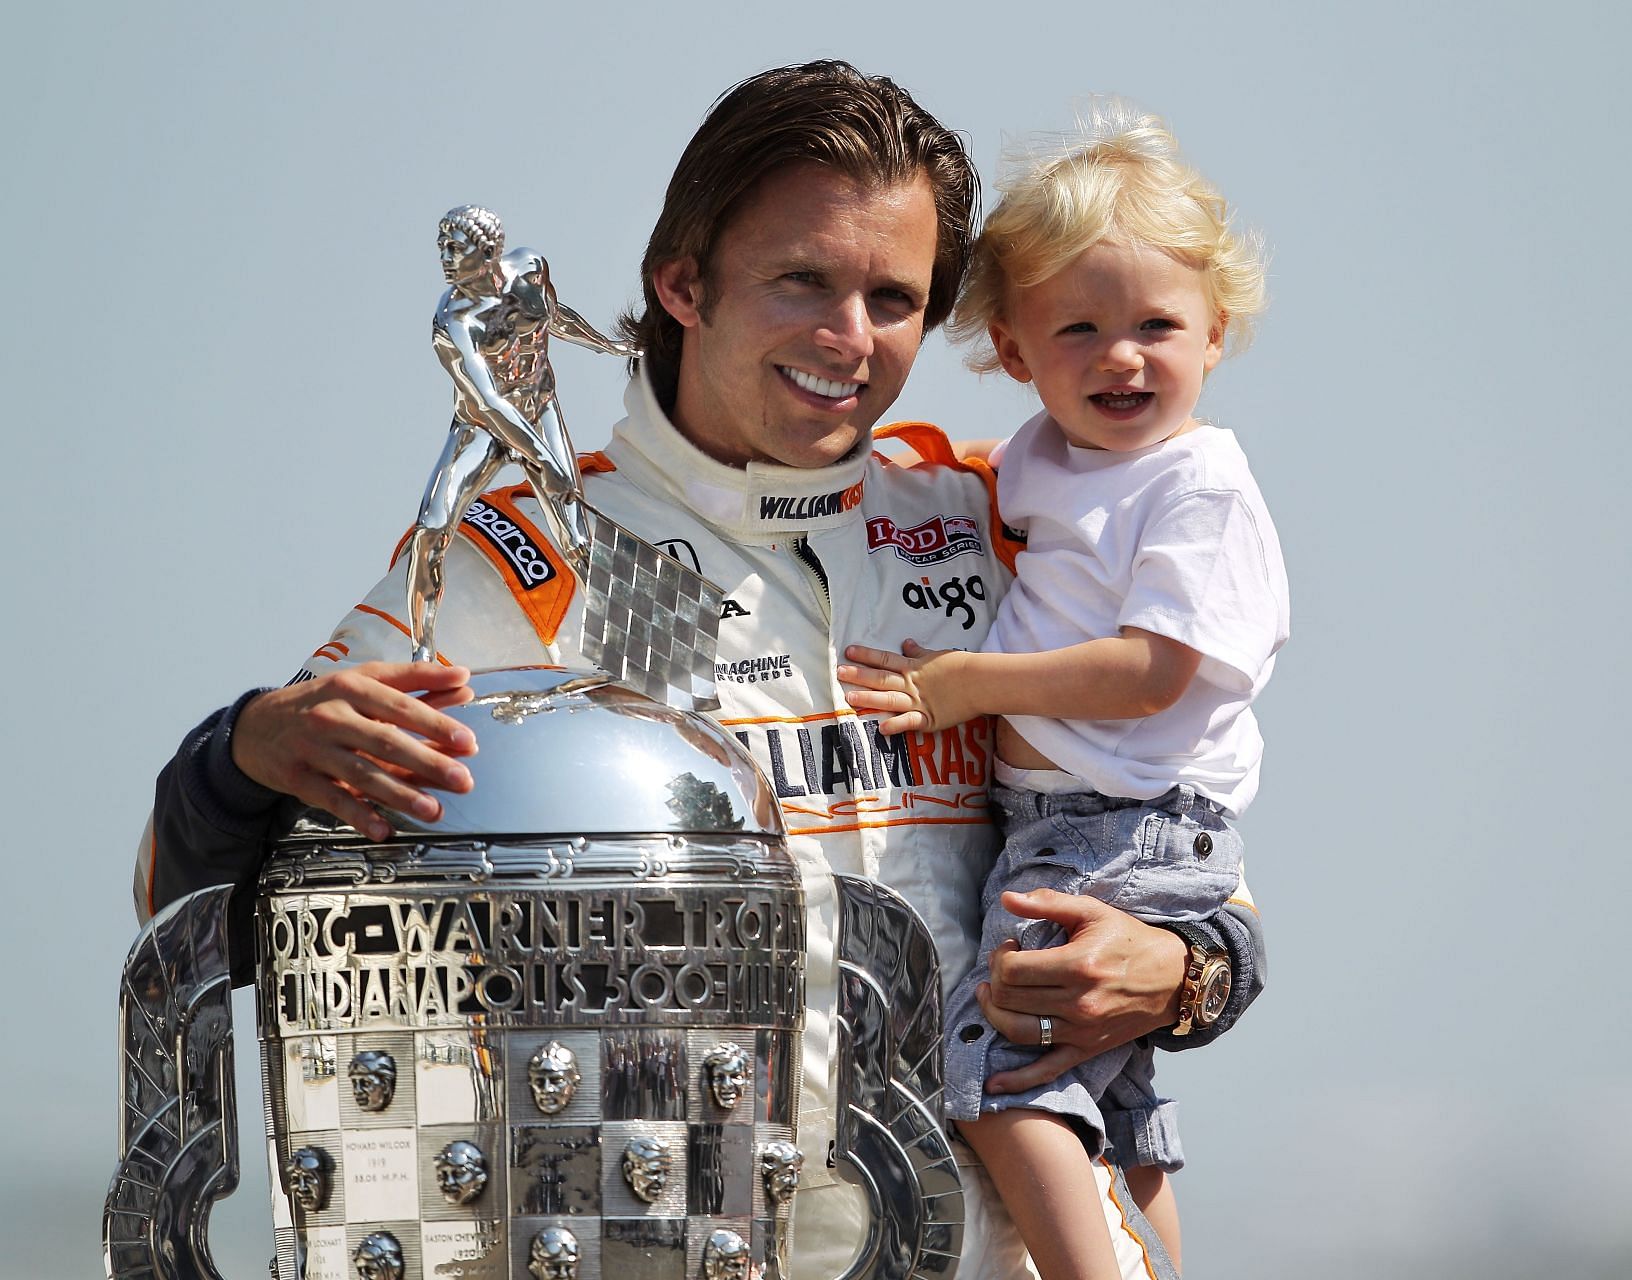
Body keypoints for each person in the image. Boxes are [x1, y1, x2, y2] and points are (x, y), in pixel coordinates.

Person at [136, 62, 1266, 1279]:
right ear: (683, 282)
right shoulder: (521, 553)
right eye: (804, 282)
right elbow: (189, 906)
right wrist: (241, 752)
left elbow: (1177, 833)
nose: (850, 339)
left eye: (893, 297)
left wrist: (1192, 973)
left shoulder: (995, 513)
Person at [840, 105, 1285, 1280]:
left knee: (995, 1076)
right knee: (1114, 1103)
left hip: (1119, 818)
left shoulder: (1198, 482)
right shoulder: (1030, 461)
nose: (1120, 355)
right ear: (1014, 349)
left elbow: (1156, 670)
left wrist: (966, 685)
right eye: (1077, 327)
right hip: (1073, 814)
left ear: (1217, 329)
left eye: (1157, 324)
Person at [407, 204, 635, 661]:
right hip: (483, 428)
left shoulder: (529, 268)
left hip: (538, 406)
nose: (445, 258)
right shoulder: (453, 323)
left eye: (456, 248)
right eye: (442, 248)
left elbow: (556, 316)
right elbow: (489, 402)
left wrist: (609, 346)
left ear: (488, 250)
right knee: (430, 530)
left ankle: (624, 645)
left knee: (577, 538)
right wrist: (541, 460)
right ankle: (422, 652)